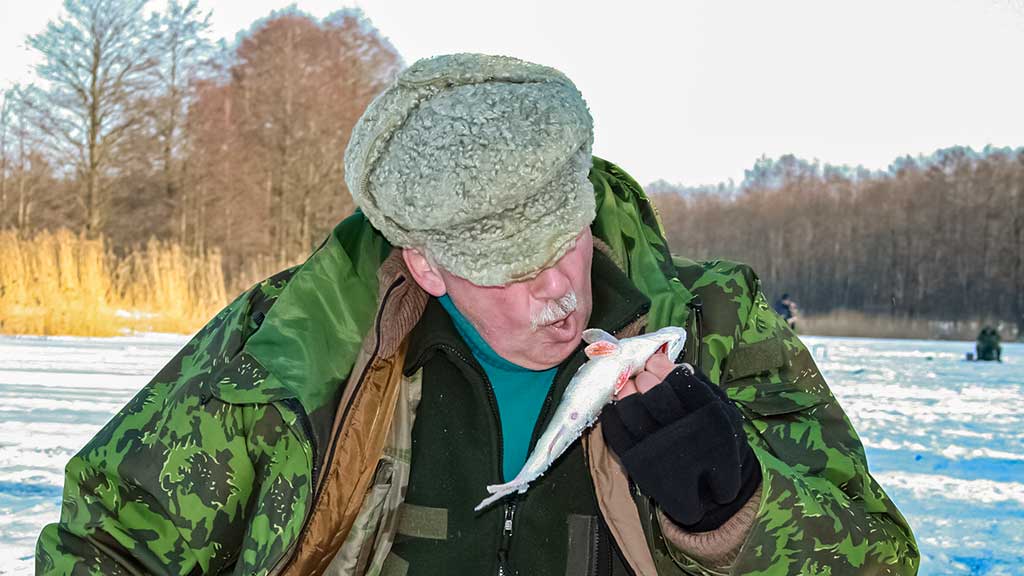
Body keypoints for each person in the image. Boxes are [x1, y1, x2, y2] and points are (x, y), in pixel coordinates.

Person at [36, 54, 918, 575]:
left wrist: (734, 510)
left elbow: (882, 562)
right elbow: (107, 546)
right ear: (427, 262)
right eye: (511, 270)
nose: (559, 291)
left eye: (567, 243)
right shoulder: (295, 343)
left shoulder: (716, 324)